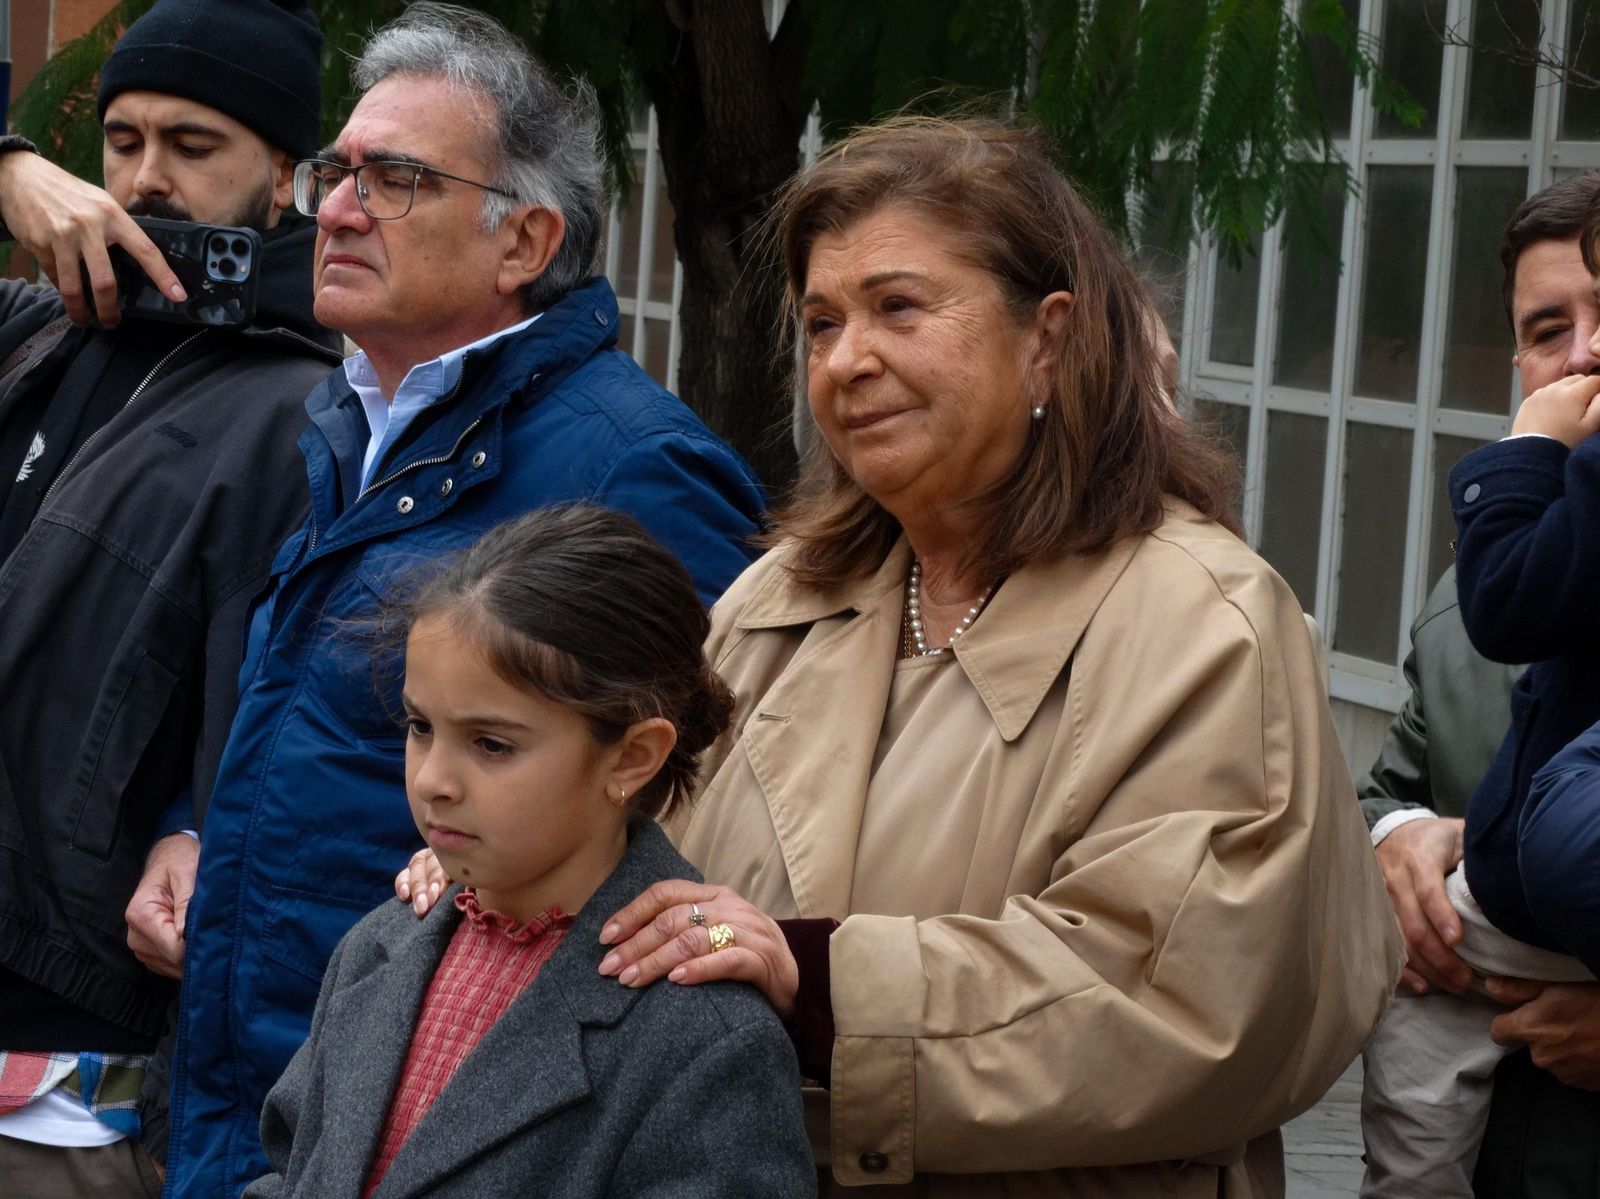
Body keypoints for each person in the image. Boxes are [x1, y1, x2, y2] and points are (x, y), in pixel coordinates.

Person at [583, 116, 1403, 1195]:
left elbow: (1188, 999)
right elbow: (639, 873)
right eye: (821, 322)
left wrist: (824, 985)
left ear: (1047, 339)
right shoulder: (774, 599)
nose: (846, 359)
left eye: (898, 307)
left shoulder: (1204, 621)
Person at [161, 7, 767, 1195]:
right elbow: (312, 734)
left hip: (488, 1126)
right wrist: (185, 827)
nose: (335, 205)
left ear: (524, 239)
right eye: (336, 171)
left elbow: (728, 778)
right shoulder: (354, 421)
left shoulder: (630, 461)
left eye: (394, 177)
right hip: (283, 1115)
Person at [0, 0, 338, 1190]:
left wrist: (192, 823)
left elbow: (286, 696)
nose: (145, 179)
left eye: (195, 147)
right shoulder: (38, 332)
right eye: (124, 140)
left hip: (72, 1074)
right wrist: (6, 169)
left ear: (287, 175)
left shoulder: (311, 405)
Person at [245, 507, 813, 1199]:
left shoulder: (705, 1033)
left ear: (632, 757)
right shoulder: (380, 946)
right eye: (420, 726)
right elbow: (292, 1167)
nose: (432, 781)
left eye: (492, 744)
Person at [1359, 174, 1600, 1196]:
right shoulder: (1469, 598)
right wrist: (1392, 842)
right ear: (1518, 365)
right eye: (1550, 328)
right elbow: (1382, 783)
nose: (1585, 351)